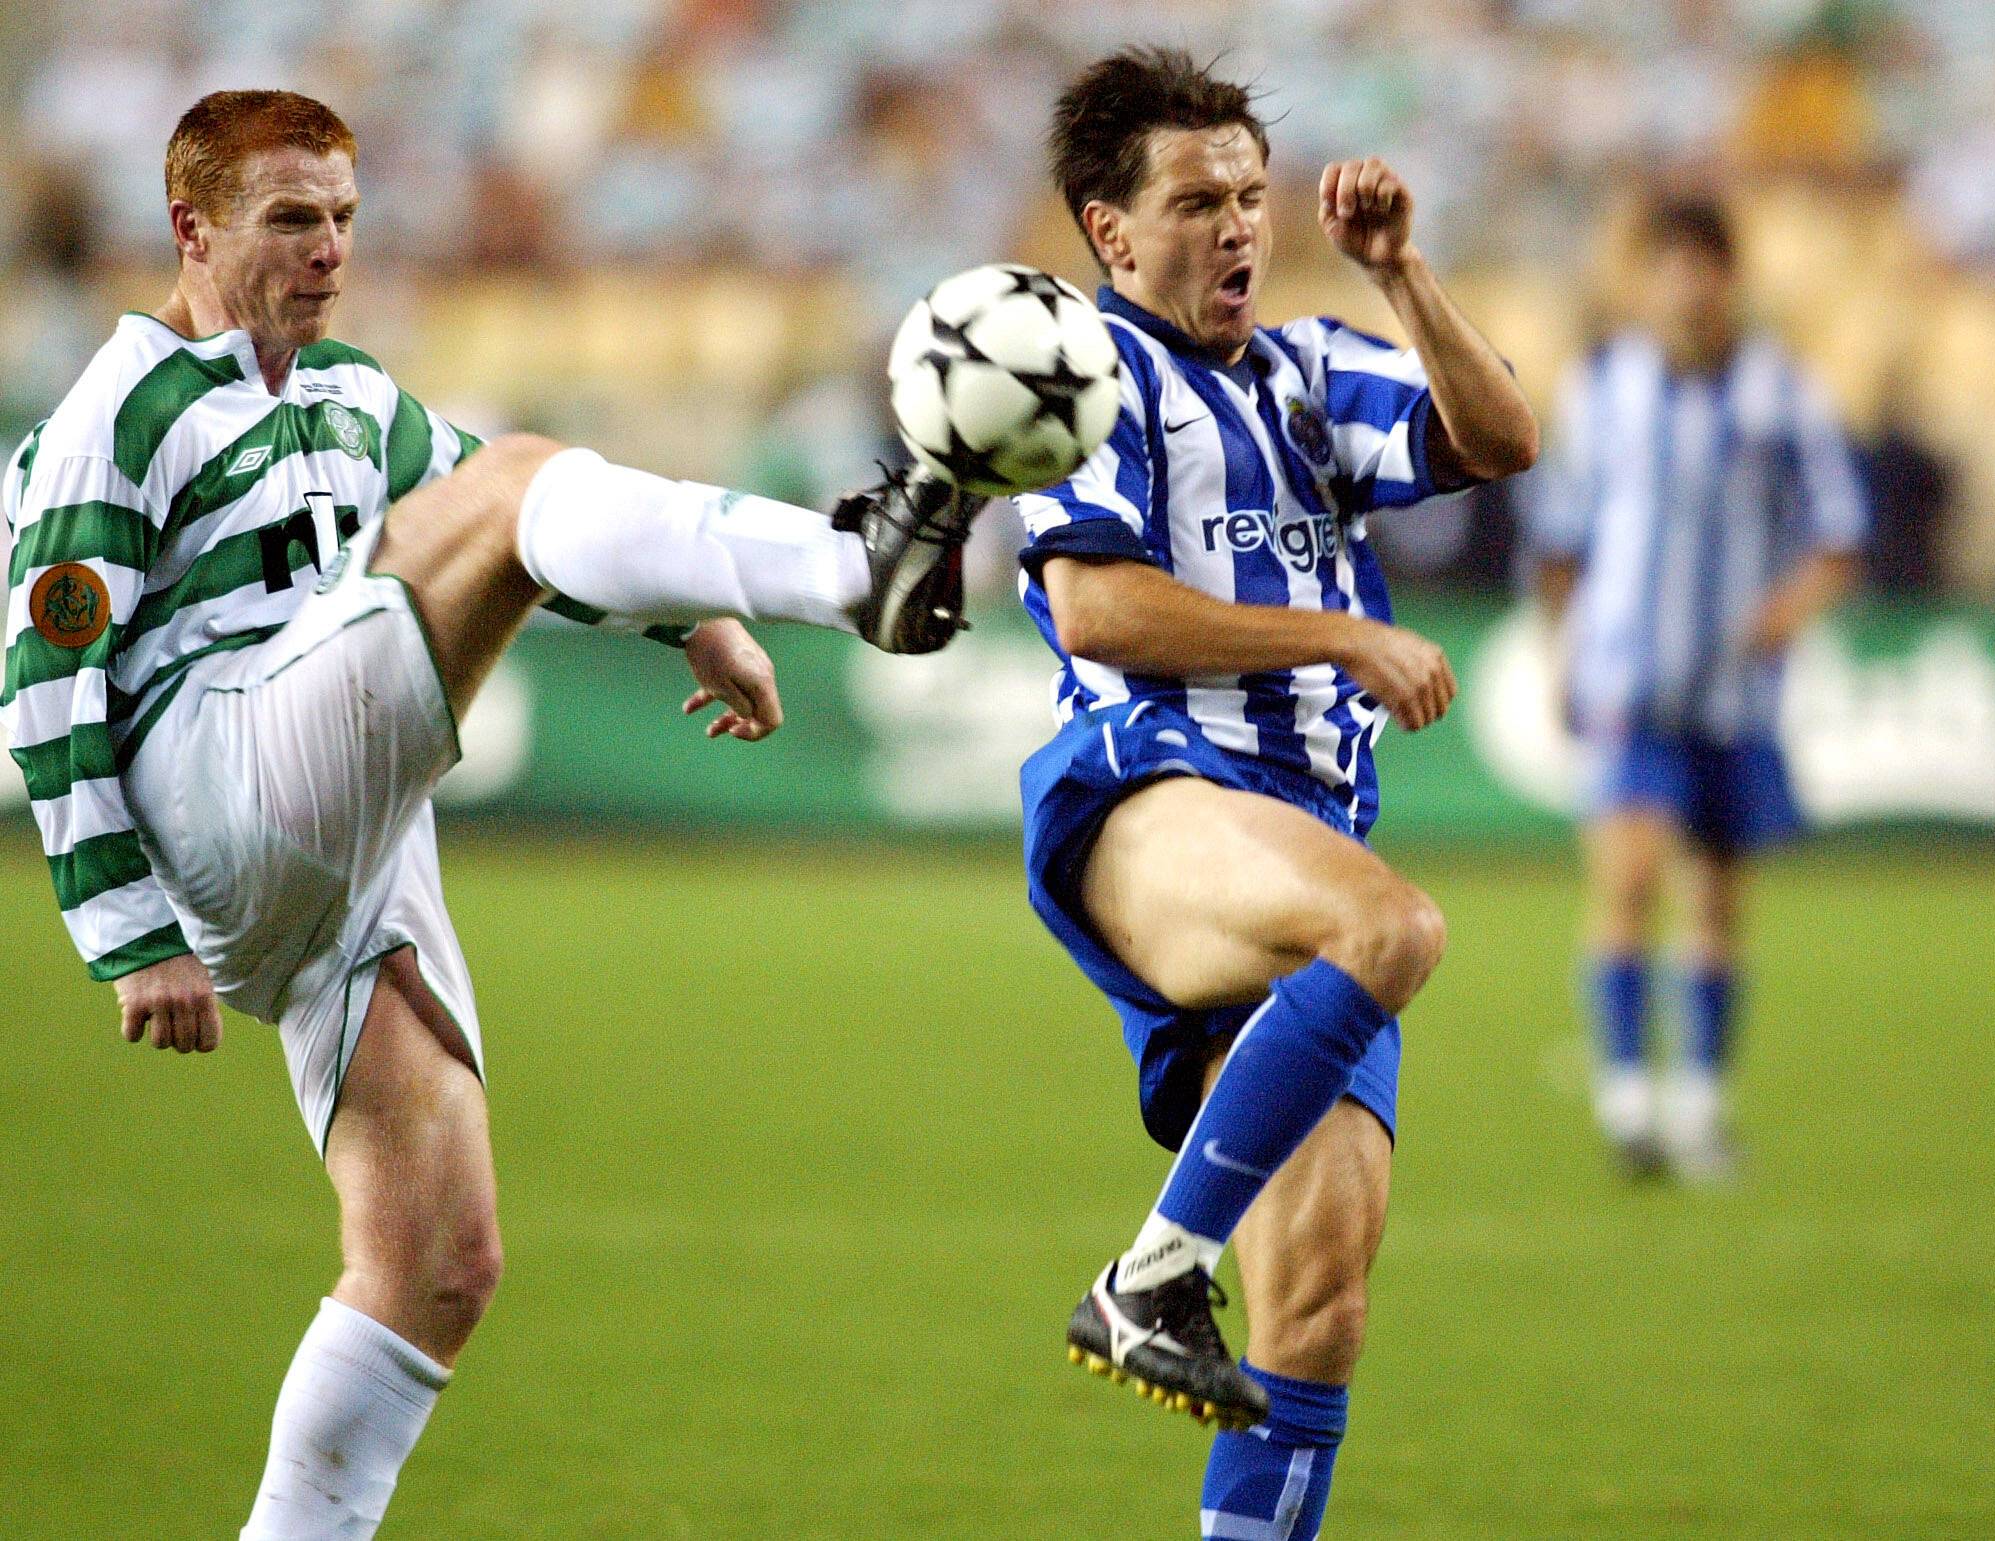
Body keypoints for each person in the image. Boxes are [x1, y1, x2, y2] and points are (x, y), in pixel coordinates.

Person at [0, 90, 980, 1539]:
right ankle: (859, 567)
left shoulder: (345, 398)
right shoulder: (118, 412)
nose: (329, 249)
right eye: (290, 219)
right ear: (190, 228)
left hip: (345, 836)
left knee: (436, 1264)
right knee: (518, 471)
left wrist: (688, 621)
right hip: (218, 784)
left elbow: (495, 526)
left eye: (341, 216)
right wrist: (130, 932)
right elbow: (44, 679)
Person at [1017, 49, 1537, 1539]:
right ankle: (1149, 1275)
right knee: (1393, 933)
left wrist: (1403, 273)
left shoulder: (1309, 371)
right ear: (1111, 232)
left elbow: (1502, 439)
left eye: (1252, 195)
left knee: (1317, 1311)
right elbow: (1102, 612)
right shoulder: (1081, 377)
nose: (1239, 225)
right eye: (1197, 201)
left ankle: (1170, 1287)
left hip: (1299, 836)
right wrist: (1342, 629)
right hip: (1149, 796)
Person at [1530, 195, 1864, 1181]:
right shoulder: (1601, 389)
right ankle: (1627, 1098)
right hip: (1628, 681)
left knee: (1714, 900)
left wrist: (1780, 614)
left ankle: (1699, 1106)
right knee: (1627, 878)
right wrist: (1560, 654)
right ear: (1644, 279)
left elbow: (1837, 530)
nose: (1686, 282)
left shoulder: (1778, 393)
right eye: (1667, 263)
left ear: (1727, 275)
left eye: (1702, 262)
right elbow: (1559, 539)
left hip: (1731, 692)